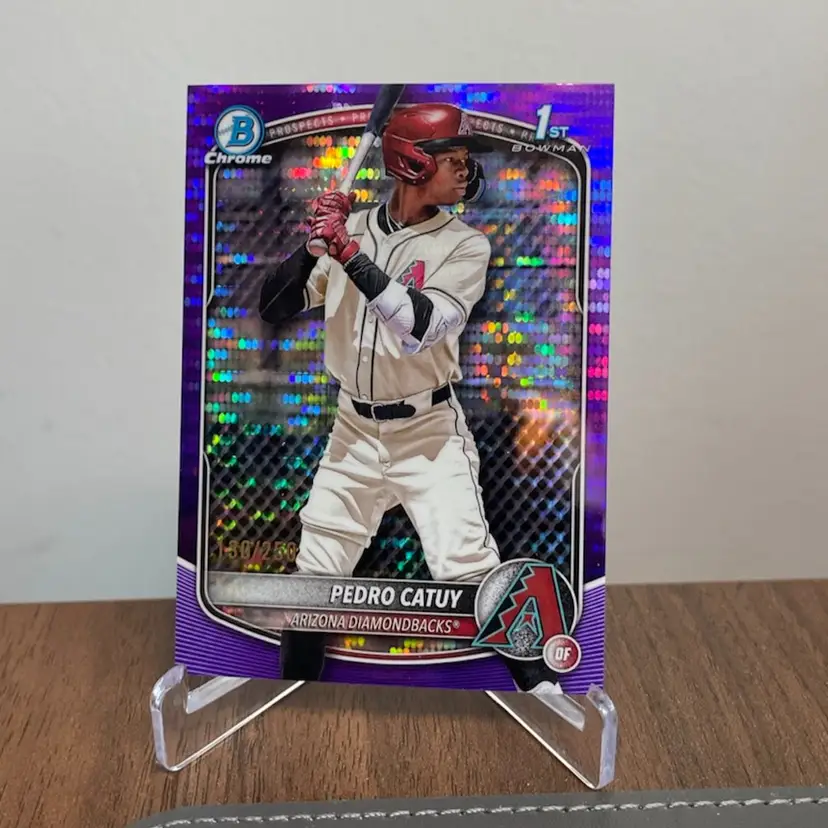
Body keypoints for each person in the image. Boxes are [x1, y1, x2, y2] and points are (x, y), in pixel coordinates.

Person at [259, 102, 560, 694]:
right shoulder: (353, 228)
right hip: (352, 431)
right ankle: (291, 697)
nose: (466, 170)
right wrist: (312, 247)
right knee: (314, 576)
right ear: (411, 162)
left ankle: (546, 691)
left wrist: (347, 253)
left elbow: (419, 326)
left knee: (467, 568)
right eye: (453, 159)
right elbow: (274, 306)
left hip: (428, 433)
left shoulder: (465, 245)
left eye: (465, 159)